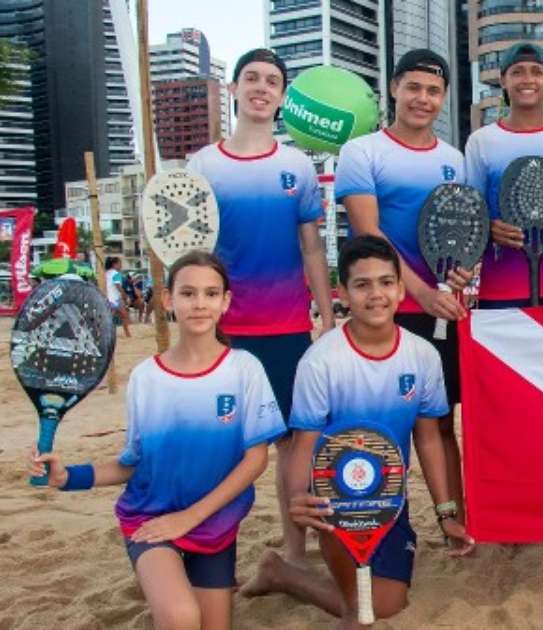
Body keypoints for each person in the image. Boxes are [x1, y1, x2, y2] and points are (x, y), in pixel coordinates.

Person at [29, 251, 286, 630]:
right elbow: (132, 464)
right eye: (188, 293)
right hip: (152, 519)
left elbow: (255, 461)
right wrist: (68, 476)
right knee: (182, 617)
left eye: (211, 293)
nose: (200, 303)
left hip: (213, 524)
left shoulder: (244, 369)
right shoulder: (146, 377)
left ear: (226, 301)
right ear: (168, 299)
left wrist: (189, 518)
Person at [240, 235, 473, 628]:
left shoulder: (423, 356)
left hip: (389, 501)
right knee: (362, 611)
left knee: (388, 605)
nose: (376, 294)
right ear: (344, 294)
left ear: (401, 290)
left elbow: (429, 438)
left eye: (385, 282)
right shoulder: (321, 362)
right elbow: (303, 444)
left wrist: (446, 513)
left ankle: (282, 574)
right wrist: (299, 499)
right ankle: (327, 590)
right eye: (362, 285)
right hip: (336, 501)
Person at [188, 48, 335, 563]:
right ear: (232, 89)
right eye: (250, 78)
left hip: (288, 329)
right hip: (223, 332)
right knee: (217, 448)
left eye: (272, 80)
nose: (260, 87)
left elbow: (313, 249)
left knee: (294, 447)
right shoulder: (202, 166)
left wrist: (329, 317)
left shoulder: (296, 167)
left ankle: (294, 550)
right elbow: (190, 254)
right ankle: (205, 547)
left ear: (281, 97)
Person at [335, 48, 472, 524]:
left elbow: (462, 232)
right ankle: (376, 520)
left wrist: (461, 274)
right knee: (377, 426)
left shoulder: (455, 160)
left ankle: (452, 520)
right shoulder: (361, 152)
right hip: (382, 311)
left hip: (438, 313)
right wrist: (420, 293)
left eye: (433, 91)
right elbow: (371, 238)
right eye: (413, 87)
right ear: (393, 89)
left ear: (445, 97)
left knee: (439, 424)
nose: (422, 98)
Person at [464, 42, 543, 307]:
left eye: (536, 71)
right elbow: (471, 215)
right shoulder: (481, 141)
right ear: (503, 81)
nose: (527, 79)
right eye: (518, 72)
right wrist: (490, 229)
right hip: (499, 291)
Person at [105, 256, 132, 338]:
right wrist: (125, 296)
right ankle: (127, 333)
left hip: (108, 298)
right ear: (114, 264)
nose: (121, 265)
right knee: (124, 316)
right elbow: (118, 286)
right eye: (120, 263)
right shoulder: (116, 274)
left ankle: (109, 333)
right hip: (115, 298)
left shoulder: (106, 273)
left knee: (110, 317)